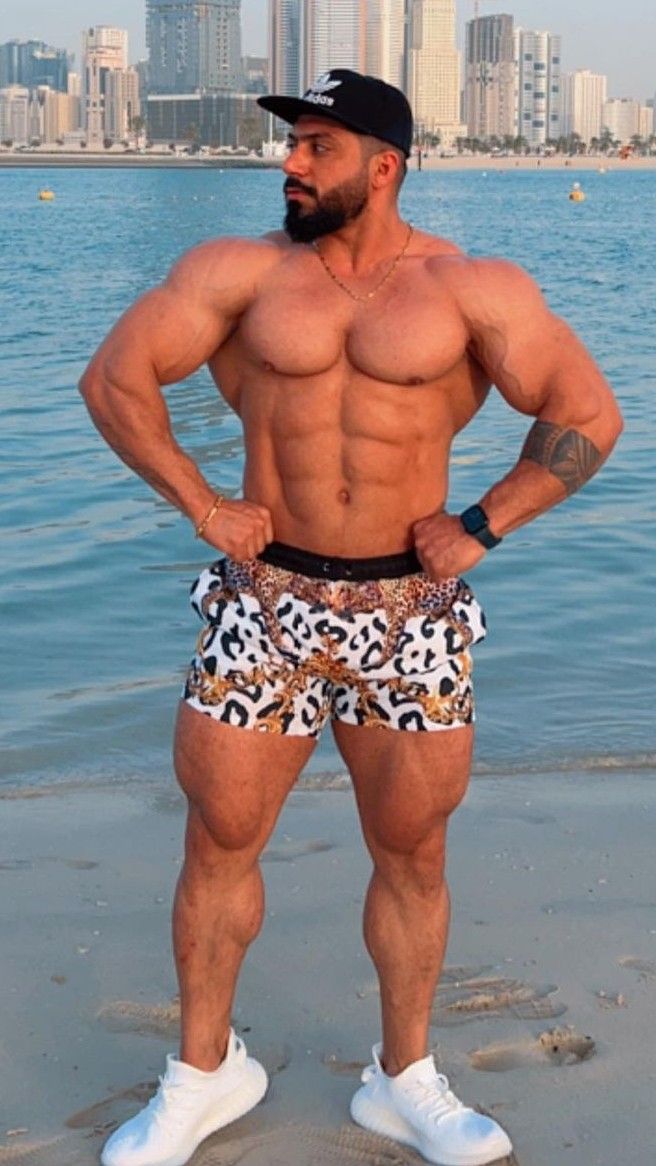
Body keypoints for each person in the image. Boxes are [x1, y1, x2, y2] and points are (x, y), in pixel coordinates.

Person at [80, 69, 622, 1166]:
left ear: (383, 164)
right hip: (264, 598)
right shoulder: (237, 276)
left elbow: (584, 413)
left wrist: (482, 522)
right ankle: (202, 1073)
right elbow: (115, 381)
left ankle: (401, 1076)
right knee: (220, 838)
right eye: (291, 146)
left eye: (315, 146)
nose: (289, 163)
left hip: (409, 610)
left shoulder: (471, 289)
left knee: (411, 850)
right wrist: (200, 502)